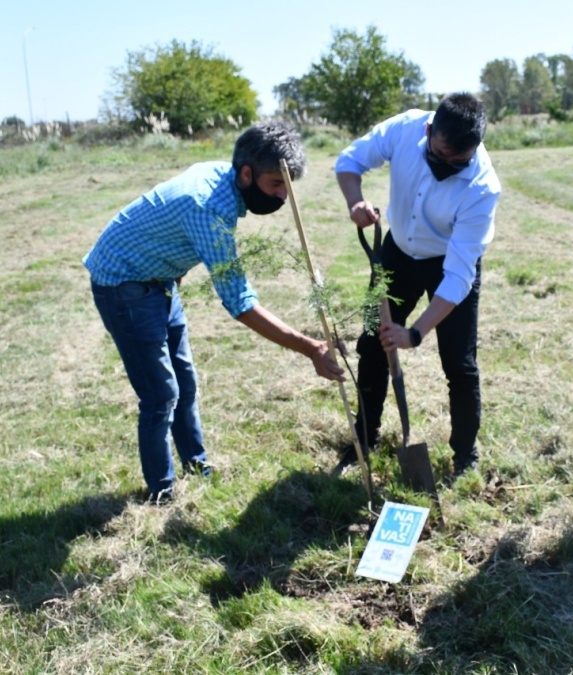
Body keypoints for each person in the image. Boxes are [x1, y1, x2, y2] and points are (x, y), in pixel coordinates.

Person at [84, 120, 344, 502]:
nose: (282, 198)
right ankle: (163, 492)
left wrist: (174, 276)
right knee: (161, 395)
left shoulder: (220, 177)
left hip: (160, 281)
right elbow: (239, 301)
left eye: (287, 188)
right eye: (276, 186)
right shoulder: (207, 207)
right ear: (246, 173)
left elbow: (172, 233)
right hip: (122, 285)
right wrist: (310, 347)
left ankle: (197, 465)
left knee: (185, 382)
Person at [334, 93, 501, 476]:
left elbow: (459, 276)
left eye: (458, 163)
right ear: (429, 131)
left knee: (459, 365)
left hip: (447, 262)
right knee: (372, 344)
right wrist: (355, 202)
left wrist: (416, 332)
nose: (446, 168)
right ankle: (365, 437)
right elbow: (349, 161)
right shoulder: (406, 128)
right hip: (397, 251)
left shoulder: (481, 187)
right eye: (439, 156)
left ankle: (464, 456)